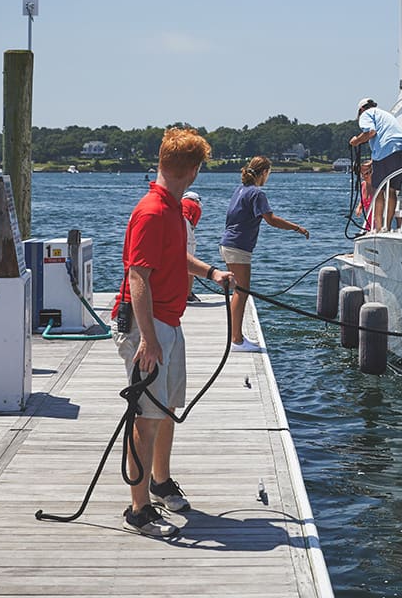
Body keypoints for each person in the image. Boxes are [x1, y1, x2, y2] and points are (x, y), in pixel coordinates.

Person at [111, 127, 232, 538]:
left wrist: (211, 271)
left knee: (165, 411)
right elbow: (138, 276)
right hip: (149, 327)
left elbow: (174, 257)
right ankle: (138, 509)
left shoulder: (171, 209)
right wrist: (147, 338)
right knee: (145, 418)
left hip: (169, 322)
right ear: (194, 171)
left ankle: (160, 482)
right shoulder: (152, 211)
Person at [220, 156, 309, 351]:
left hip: (229, 244)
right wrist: (297, 228)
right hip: (238, 247)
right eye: (269, 173)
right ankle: (236, 340)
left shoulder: (240, 190)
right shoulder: (257, 193)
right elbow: (271, 220)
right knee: (241, 292)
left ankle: (237, 337)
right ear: (264, 173)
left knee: (240, 291)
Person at [349, 98, 402, 230]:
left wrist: (356, 141)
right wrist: (372, 161)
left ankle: (378, 228)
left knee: (378, 190)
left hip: (386, 151)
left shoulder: (366, 114)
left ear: (361, 110)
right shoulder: (386, 115)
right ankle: (386, 227)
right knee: (392, 190)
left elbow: (371, 132)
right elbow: (387, 137)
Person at [182, 191, 202, 302]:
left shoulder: (178, 202)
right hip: (185, 223)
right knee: (189, 261)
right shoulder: (196, 206)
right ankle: (188, 294)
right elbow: (193, 225)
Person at [354, 160, 373, 230]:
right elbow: (363, 200)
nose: (364, 176)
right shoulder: (363, 185)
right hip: (368, 222)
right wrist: (359, 207)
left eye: (367, 173)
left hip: (379, 221)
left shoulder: (379, 185)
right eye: (362, 174)